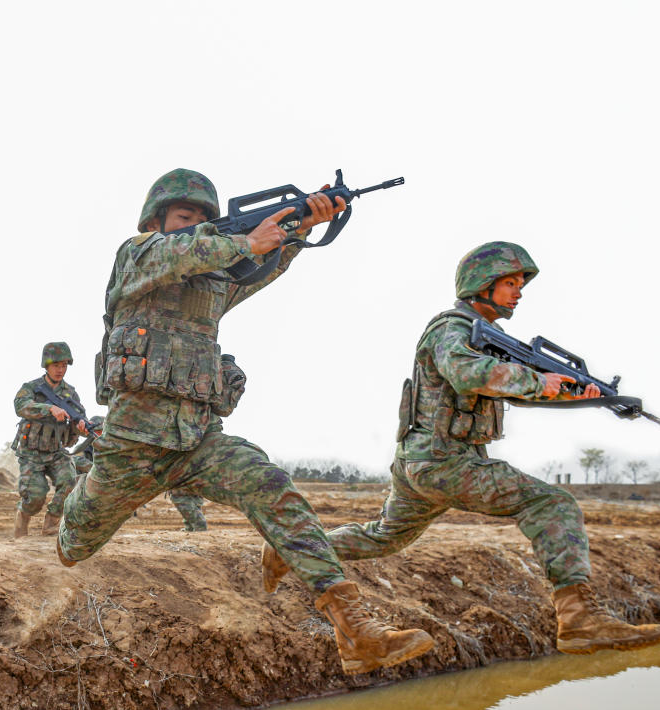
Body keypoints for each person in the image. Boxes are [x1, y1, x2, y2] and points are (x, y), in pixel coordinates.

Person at [58, 168, 435, 675]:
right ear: (156, 221)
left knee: (271, 483)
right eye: (184, 216)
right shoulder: (137, 256)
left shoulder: (211, 283)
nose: (193, 224)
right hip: (131, 447)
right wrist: (243, 238)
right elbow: (189, 251)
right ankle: (71, 511)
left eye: (202, 217)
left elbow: (257, 269)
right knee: (74, 545)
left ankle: (355, 632)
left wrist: (303, 227)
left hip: (198, 441)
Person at [263, 241, 660, 655]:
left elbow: (515, 390)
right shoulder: (451, 329)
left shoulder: (488, 337)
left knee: (384, 538)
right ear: (482, 284)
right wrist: (536, 380)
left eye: (519, 284)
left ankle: (290, 549)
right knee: (553, 504)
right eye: (510, 283)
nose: (519, 292)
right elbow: (466, 372)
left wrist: (586, 396)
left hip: (423, 461)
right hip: (444, 462)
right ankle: (579, 619)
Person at [71, 419, 206, 531]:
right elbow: (75, 460)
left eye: (102, 431)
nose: (100, 435)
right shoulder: (87, 447)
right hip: (94, 484)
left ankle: (197, 528)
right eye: (97, 432)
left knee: (185, 499)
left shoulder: (118, 444)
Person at [12, 342, 87, 537]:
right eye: (56, 365)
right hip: (31, 454)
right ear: (46, 365)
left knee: (70, 482)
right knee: (35, 496)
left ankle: (51, 524)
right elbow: (21, 406)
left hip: (56, 453)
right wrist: (48, 409)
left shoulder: (70, 393)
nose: (60, 370)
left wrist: (82, 427)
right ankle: (23, 518)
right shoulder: (32, 388)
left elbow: (80, 418)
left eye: (64, 366)